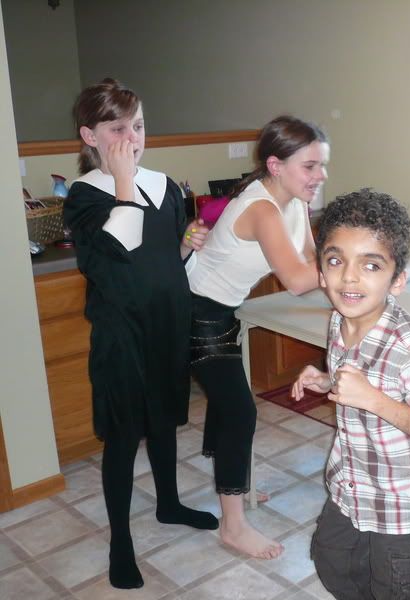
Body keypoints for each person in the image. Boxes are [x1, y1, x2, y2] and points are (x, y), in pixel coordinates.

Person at [63, 78, 217, 590]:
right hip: (121, 333)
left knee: (165, 419)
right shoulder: (85, 196)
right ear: (90, 135)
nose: (132, 138)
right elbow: (120, 248)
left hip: (167, 323)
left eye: (140, 126)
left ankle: (169, 504)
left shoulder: (166, 185)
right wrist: (124, 182)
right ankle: (121, 543)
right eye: (117, 129)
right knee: (124, 434)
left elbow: (161, 259)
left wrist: (186, 245)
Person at [292, 189, 410, 599]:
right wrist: (327, 381)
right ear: (321, 271)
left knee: (398, 588)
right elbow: (350, 380)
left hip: (402, 508)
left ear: (397, 280)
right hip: (352, 485)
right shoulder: (339, 320)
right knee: (330, 558)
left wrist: (373, 399)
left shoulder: (408, 345)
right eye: (336, 261)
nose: (349, 277)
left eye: (371, 265)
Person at [186, 115, 328, 559]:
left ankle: (236, 487)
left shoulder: (293, 201)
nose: (320, 176)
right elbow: (298, 279)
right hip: (195, 312)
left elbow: (309, 258)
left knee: (227, 403)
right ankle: (233, 526)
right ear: (275, 165)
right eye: (310, 166)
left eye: (322, 165)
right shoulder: (262, 209)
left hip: (222, 308)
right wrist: (351, 267)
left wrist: (343, 288)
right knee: (239, 411)